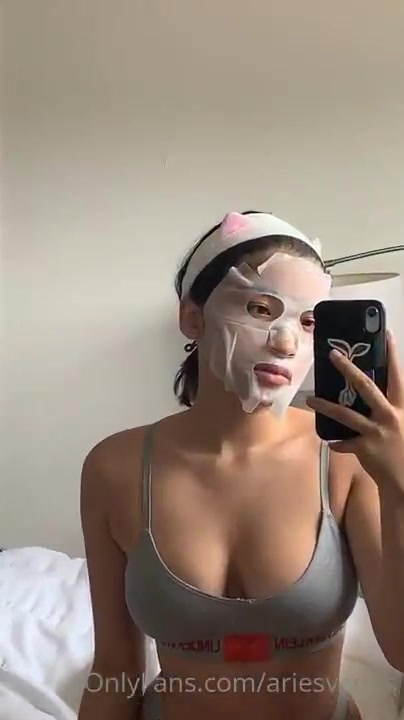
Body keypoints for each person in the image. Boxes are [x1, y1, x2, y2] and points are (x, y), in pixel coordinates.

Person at [78, 210, 404, 720]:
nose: (286, 342)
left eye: (309, 322)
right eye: (260, 309)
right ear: (192, 318)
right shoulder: (113, 468)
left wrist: (399, 483)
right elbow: (114, 668)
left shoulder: (348, 460)